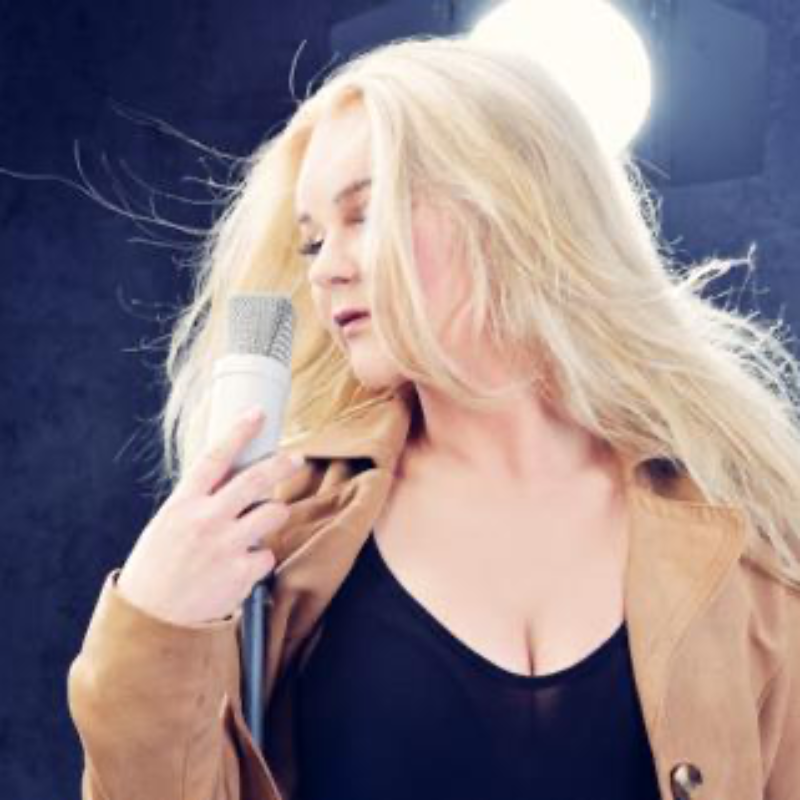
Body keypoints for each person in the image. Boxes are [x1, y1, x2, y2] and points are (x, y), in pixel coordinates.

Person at [67, 35, 800, 800]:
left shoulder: (741, 539)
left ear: (512, 209)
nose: (326, 268)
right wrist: (153, 627)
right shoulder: (281, 532)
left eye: (364, 215)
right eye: (312, 241)